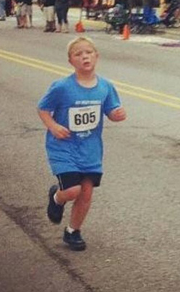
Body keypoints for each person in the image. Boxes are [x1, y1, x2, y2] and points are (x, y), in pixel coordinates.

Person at [38, 37, 127, 251]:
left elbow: (111, 112)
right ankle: (57, 197)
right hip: (64, 147)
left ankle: (73, 231)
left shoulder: (105, 87)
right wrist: (53, 126)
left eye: (88, 52)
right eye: (78, 54)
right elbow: (43, 108)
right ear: (71, 61)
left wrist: (117, 115)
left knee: (86, 193)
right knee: (72, 191)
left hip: (91, 150)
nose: (84, 56)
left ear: (97, 56)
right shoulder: (61, 87)